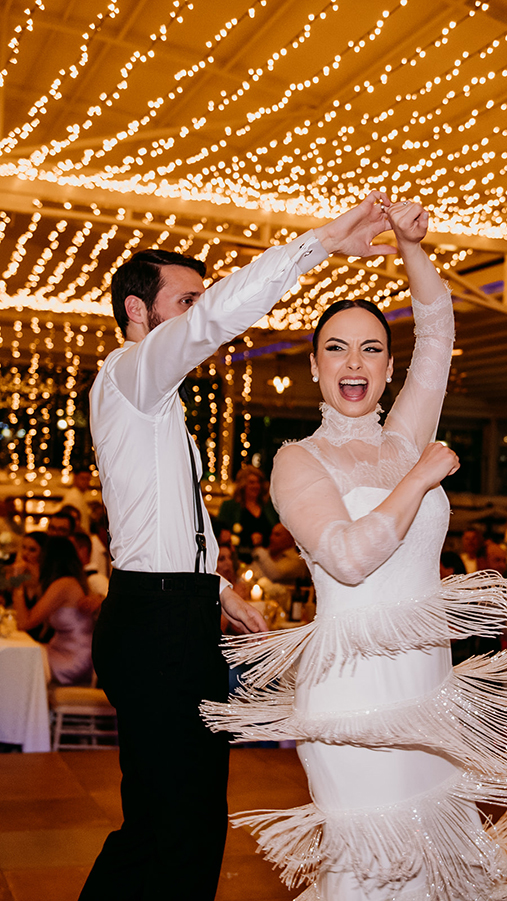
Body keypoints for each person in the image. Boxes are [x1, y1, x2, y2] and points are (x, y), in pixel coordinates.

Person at [202, 200, 507, 899]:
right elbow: (350, 558)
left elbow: (437, 330)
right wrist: (418, 478)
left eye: (372, 348)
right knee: (368, 867)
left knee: (439, 864)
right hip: (352, 692)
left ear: (386, 368)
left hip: (428, 684)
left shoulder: (406, 434)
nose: (355, 362)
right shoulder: (297, 460)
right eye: (337, 348)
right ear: (316, 366)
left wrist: (412, 246)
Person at [79, 190, 398, 901]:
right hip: (152, 620)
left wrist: (220, 591)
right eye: (185, 301)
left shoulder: (159, 405)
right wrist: (318, 244)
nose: (199, 313)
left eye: (198, 300)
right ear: (139, 312)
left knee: (193, 816)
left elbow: (169, 516)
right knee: (165, 822)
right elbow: (223, 313)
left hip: (179, 612)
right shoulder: (129, 376)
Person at [12, 536, 94, 685]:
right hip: (59, 649)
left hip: (73, 658)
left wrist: (17, 583)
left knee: (18, 662)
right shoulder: (64, 582)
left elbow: (24, 623)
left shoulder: (64, 585)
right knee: (19, 656)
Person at [218, 465, 278, 562]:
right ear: (243, 485)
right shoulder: (229, 506)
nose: (256, 486)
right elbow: (221, 533)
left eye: (258, 482)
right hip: (239, 558)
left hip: (268, 560)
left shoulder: (269, 507)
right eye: (251, 482)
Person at [11, 531, 51, 643]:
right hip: (22, 638)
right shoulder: (20, 574)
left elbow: (24, 623)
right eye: (23, 547)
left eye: (32, 550)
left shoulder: (49, 580)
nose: (25, 553)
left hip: (43, 641)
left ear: (43, 553)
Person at [251, 522, 309, 587]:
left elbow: (275, 575)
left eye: (277, 535)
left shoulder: (297, 561)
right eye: (271, 534)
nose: (271, 538)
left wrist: (258, 548)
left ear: (290, 538)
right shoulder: (267, 553)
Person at [61, 468, 92, 533]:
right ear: (75, 478)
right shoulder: (74, 497)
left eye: (88, 479)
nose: (85, 482)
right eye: (83, 478)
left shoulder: (80, 495)